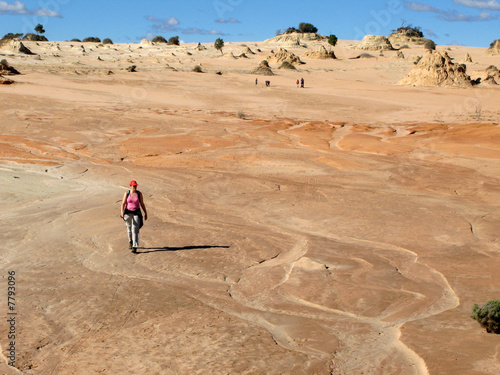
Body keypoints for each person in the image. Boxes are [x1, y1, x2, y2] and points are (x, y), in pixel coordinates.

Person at [120, 180, 148, 253]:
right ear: (130, 186)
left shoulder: (139, 194)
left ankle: (135, 246)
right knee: (129, 227)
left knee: (135, 229)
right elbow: (123, 203)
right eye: (133, 186)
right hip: (128, 213)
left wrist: (145, 212)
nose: (134, 187)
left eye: (135, 185)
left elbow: (142, 203)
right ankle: (130, 241)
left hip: (136, 212)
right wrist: (122, 212)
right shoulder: (127, 193)